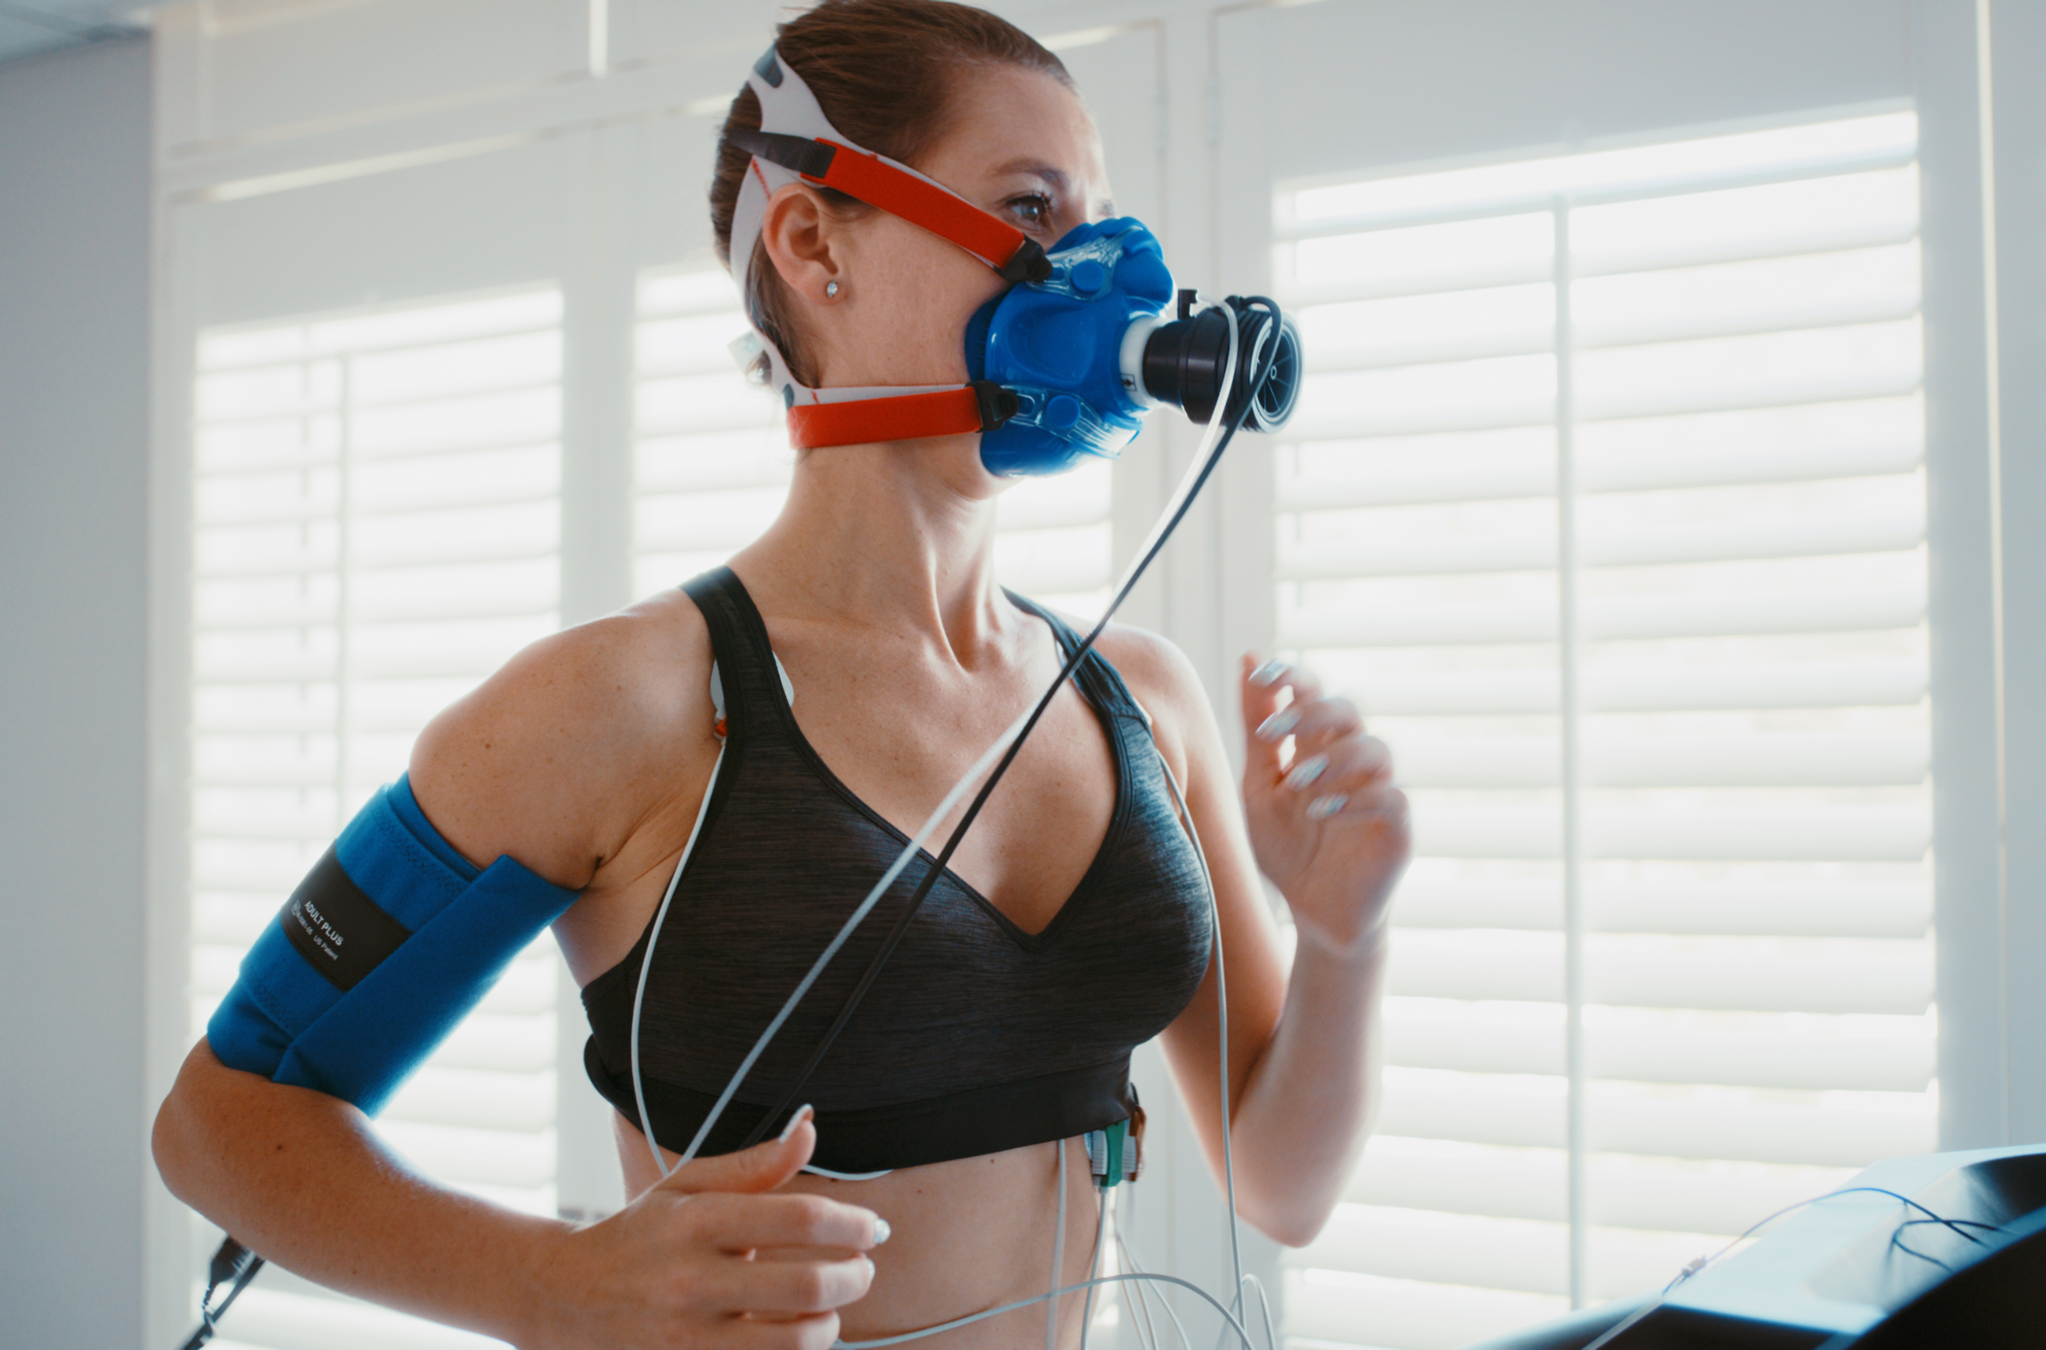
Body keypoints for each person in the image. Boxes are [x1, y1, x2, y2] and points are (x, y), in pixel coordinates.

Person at [151, 2, 1410, 1348]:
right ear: (816, 240)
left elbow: (1283, 1182)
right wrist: (551, 1285)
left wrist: (1345, 934)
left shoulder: (1144, 706)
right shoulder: (621, 705)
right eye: (1032, 208)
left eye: (1099, 212)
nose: (1108, 273)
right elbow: (218, 1124)